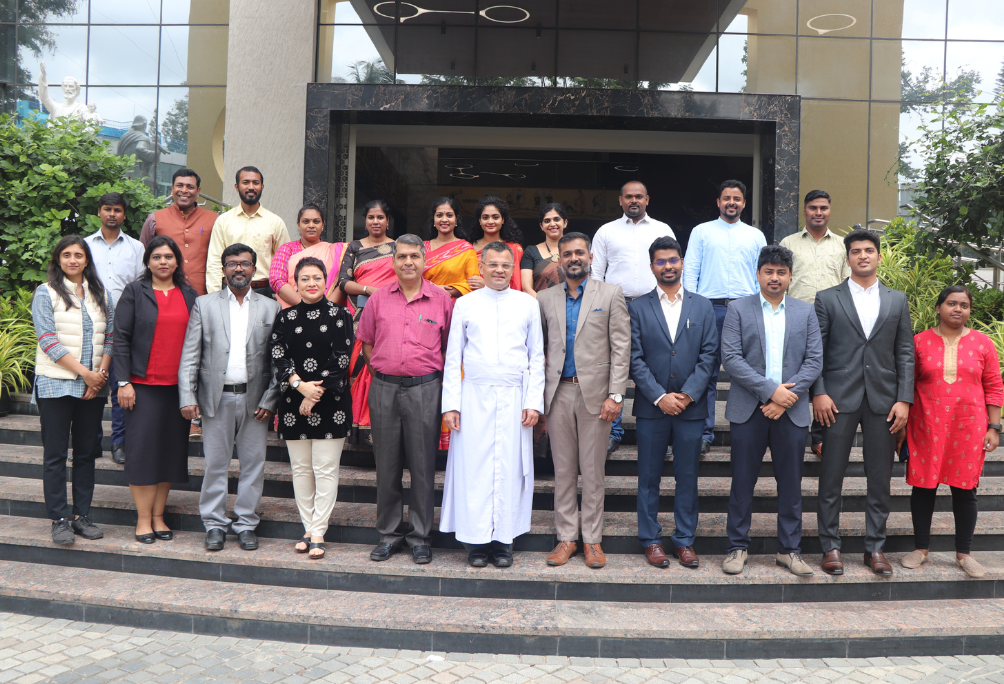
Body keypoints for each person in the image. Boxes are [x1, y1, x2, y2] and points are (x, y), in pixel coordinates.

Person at [812, 229, 914, 576]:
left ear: (879, 257)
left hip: (884, 400)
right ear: (848, 259)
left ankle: (875, 548)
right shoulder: (827, 298)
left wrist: (904, 399)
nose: (863, 256)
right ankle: (830, 546)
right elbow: (816, 350)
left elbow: (905, 352)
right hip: (836, 400)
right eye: (856, 251)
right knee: (831, 476)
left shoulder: (897, 300)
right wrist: (818, 392)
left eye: (869, 250)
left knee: (880, 479)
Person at [440, 241, 545, 568]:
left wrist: (533, 402)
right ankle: (475, 542)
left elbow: (537, 357)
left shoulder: (527, 304)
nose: (499, 270)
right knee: (475, 469)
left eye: (505, 265)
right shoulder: (465, 304)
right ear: (482, 268)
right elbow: (453, 357)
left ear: (513, 269)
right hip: (474, 396)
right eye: (493, 264)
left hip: (515, 397)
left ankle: (504, 541)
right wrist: (451, 404)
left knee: (510, 469)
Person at [719, 246, 822, 576]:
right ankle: (737, 547)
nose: (774, 277)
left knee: (791, 484)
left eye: (781, 272)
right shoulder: (738, 309)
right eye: (768, 271)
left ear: (790, 276)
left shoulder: (805, 312)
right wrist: (770, 391)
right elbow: (731, 358)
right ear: (758, 274)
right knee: (742, 482)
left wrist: (784, 398)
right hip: (748, 410)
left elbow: (814, 360)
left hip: (790, 411)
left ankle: (789, 551)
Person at [357, 235, 454, 565]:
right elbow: (367, 345)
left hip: (425, 390)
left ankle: (420, 537)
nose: (408, 262)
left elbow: (449, 348)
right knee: (386, 466)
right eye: (402, 256)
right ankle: (388, 535)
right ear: (393, 261)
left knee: (423, 466)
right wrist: (389, 374)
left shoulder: (441, 300)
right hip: (384, 388)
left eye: (414, 256)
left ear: (424, 260)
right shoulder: (378, 299)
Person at [178, 243, 281, 552]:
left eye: (245, 263)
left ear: (254, 269)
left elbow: (278, 360)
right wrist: (187, 395)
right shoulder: (204, 304)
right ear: (223, 269)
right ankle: (214, 523)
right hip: (215, 399)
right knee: (215, 464)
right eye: (232, 263)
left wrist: (270, 399)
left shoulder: (271, 307)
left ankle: (246, 523)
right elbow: (191, 354)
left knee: (254, 465)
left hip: (255, 401)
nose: (239, 268)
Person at [537, 232, 630, 569]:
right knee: (563, 471)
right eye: (567, 254)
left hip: (596, 395)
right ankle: (566, 538)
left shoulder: (611, 293)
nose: (573, 258)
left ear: (590, 257)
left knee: (592, 472)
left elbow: (621, 347)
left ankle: (592, 540)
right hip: (558, 393)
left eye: (579, 252)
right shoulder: (544, 298)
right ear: (559, 260)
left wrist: (616, 395)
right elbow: (538, 349)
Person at [900, 286, 1003, 578]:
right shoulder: (919, 342)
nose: (958, 309)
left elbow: (994, 385)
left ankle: (964, 554)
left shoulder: (983, 343)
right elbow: (906, 385)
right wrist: (902, 427)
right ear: (938, 307)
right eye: (951, 303)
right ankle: (920, 549)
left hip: (968, 426)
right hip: (926, 424)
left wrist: (994, 427)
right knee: (923, 487)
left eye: (964, 305)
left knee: (965, 489)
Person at [629, 236, 718, 568]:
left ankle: (684, 540)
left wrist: (687, 394)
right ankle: (650, 540)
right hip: (651, 408)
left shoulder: (702, 305)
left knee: (688, 476)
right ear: (652, 267)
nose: (667, 266)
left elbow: (709, 355)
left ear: (682, 262)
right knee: (648, 477)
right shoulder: (637, 307)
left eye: (673, 260)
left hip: (690, 408)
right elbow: (634, 358)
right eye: (660, 261)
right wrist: (659, 396)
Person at [113, 236, 198, 543]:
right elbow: (120, 338)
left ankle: (159, 516)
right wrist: (123, 382)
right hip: (142, 386)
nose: (163, 262)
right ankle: (143, 519)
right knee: (142, 454)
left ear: (177, 261)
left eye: (169, 257)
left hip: (178, 389)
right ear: (147, 262)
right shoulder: (135, 292)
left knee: (169, 454)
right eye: (157, 257)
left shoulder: (189, 294)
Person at [270, 257, 355, 560]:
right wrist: (298, 385)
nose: (311, 283)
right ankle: (308, 528)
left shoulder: (340, 315)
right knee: (301, 469)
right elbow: (278, 354)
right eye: (304, 278)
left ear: (326, 281)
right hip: (294, 403)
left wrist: (313, 393)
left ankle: (318, 531)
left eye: (317, 277)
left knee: (326, 469)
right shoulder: (285, 317)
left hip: (331, 402)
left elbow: (342, 358)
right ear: (295, 284)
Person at [31, 235, 113, 545]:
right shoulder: (46, 292)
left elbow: (111, 337)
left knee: (86, 454)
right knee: (55, 455)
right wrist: (86, 375)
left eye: (78, 254)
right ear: (58, 259)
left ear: (87, 259)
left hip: (93, 386)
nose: (73, 260)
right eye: (66, 255)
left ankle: (81, 517)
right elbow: (48, 341)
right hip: (56, 384)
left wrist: (99, 375)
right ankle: (59, 519)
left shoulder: (101, 293)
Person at [683, 180, 767, 454]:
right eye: (727, 198)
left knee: (750, 372)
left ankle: (750, 432)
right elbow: (691, 270)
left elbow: (762, 274)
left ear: (744, 203)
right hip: (709, 309)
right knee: (705, 371)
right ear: (718, 202)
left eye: (737, 198)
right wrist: (690, 307)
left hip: (746, 310)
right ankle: (704, 433)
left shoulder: (756, 236)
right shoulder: (701, 231)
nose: (732, 202)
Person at [592, 182, 676, 454]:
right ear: (620, 200)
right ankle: (612, 431)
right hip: (616, 305)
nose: (634, 201)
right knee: (612, 367)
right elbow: (596, 274)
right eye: (628, 197)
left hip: (654, 305)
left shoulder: (662, 229)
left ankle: (657, 433)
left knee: (656, 366)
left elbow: (673, 268)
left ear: (647, 199)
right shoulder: (606, 231)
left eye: (639, 196)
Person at [779, 190, 851, 457]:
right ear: (804, 211)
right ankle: (789, 432)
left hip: (833, 321)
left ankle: (820, 437)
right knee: (794, 373)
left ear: (829, 210)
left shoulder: (842, 245)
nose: (818, 212)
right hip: (796, 319)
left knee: (827, 378)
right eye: (813, 208)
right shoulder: (788, 242)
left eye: (823, 208)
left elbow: (847, 284)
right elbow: (781, 281)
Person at [84, 192, 145, 465]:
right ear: (99, 212)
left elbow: (141, 288)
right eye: (107, 209)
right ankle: (90, 443)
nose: (112, 214)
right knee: (91, 385)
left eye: (117, 210)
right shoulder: (85, 246)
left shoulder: (136, 248)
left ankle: (119, 443)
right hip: (91, 325)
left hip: (124, 326)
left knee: (121, 384)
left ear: (124, 214)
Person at [337, 200, 398, 443]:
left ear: (388, 221)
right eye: (371, 217)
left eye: (380, 217)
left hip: (390, 315)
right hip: (358, 316)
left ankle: (379, 425)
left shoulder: (397, 247)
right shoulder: (355, 247)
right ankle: (356, 427)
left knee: (380, 364)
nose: (375, 221)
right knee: (356, 365)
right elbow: (344, 282)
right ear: (365, 221)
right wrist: (368, 289)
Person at [205, 166, 291, 296]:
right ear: (237, 187)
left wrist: (282, 297)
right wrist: (215, 296)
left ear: (262, 187)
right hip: (229, 290)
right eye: (245, 182)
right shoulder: (223, 221)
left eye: (256, 183)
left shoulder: (275, 222)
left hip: (263, 291)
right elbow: (214, 261)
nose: (251, 187)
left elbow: (285, 263)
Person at [140, 168, 219, 296]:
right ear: (172, 189)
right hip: (163, 294)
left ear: (198, 191)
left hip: (203, 295)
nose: (184, 190)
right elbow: (143, 256)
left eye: (190, 187)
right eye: (179, 185)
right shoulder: (154, 220)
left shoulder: (214, 220)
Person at [271, 204, 345, 308]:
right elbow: (276, 280)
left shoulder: (334, 251)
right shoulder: (287, 249)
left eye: (316, 221)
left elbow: (342, 283)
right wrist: (305, 307)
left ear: (323, 225)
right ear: (298, 224)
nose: (311, 225)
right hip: (293, 309)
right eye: (306, 221)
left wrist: (324, 309)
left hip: (327, 310)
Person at [422, 196, 479, 298]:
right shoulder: (421, 247)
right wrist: (434, 288)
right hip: (424, 301)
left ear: (456, 219)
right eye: (439, 215)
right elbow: (410, 278)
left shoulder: (466, 249)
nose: (444, 219)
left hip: (454, 304)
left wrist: (447, 291)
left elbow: (473, 284)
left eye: (449, 215)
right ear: (434, 219)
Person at [468, 196, 523, 292]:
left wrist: (487, 285)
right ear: (480, 220)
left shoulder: (514, 248)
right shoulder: (469, 248)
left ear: (503, 219)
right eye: (485, 217)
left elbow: (516, 285)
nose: (490, 221)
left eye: (495, 217)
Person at [521, 203, 568, 296]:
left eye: (556, 219)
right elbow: (526, 288)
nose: (552, 224)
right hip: (540, 304)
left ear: (565, 223)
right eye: (547, 221)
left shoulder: (576, 250)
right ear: (541, 226)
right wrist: (542, 303)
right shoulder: (531, 252)